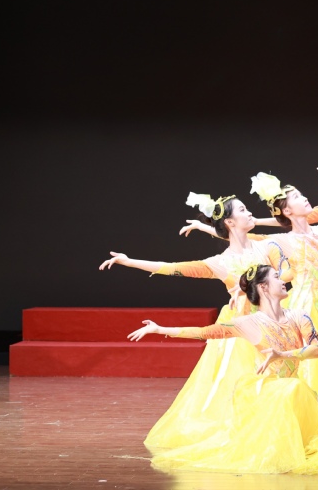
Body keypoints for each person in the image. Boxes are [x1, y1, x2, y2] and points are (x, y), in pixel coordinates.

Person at [98, 193, 284, 450]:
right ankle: (250, 434)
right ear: (230, 222)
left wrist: (247, 287)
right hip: (241, 328)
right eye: (243, 210)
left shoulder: (267, 246)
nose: (250, 212)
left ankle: (278, 428)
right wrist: (129, 262)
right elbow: (172, 267)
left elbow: (288, 273)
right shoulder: (220, 263)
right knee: (243, 379)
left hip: (275, 320)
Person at [127, 264, 318, 474]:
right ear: (263, 287)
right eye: (277, 277)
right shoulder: (247, 323)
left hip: (294, 389)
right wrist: (159, 329)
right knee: (292, 390)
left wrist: (283, 355)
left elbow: (317, 351)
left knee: (295, 389)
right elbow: (203, 332)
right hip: (265, 391)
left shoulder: (299, 317)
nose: (283, 281)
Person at [181, 173, 318, 401]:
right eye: (297, 196)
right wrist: (205, 227)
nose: (304, 198)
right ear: (287, 210)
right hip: (304, 302)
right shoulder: (282, 240)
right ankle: (309, 398)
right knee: (310, 356)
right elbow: (244, 236)